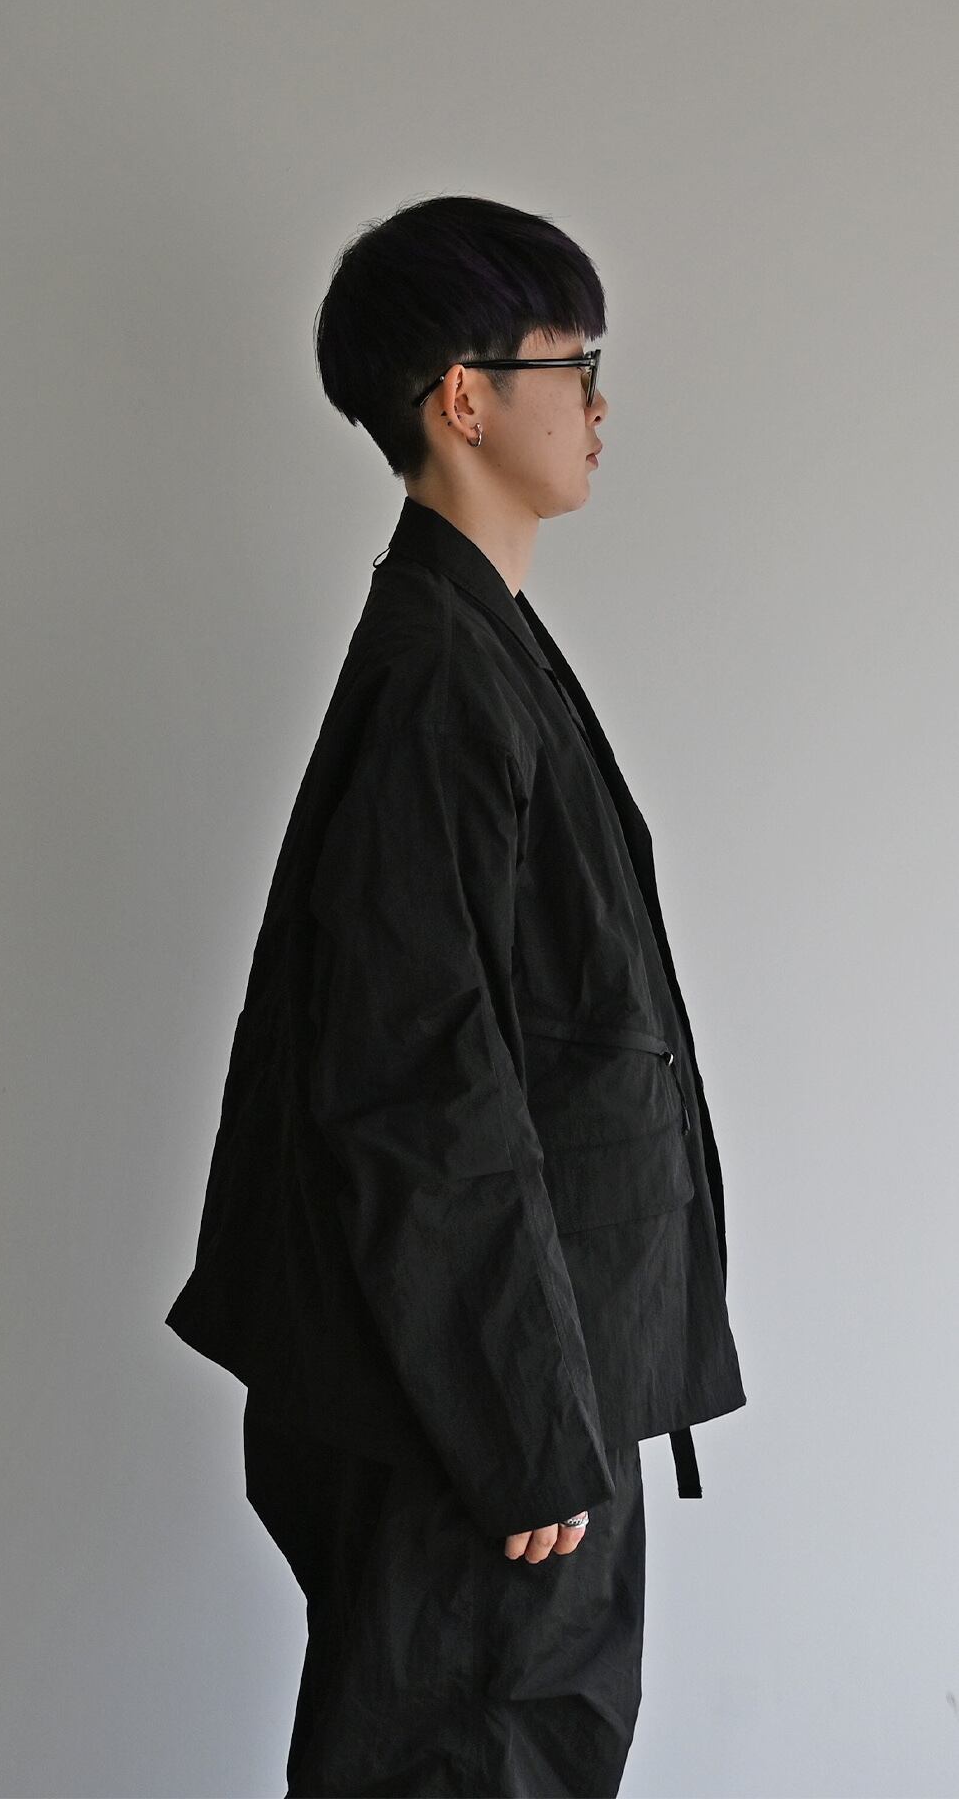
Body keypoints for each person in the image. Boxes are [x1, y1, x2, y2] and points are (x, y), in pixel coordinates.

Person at [164, 193, 747, 1798]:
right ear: (464, 398)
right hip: (479, 1411)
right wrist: (518, 1427)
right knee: (472, 1760)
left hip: (519, 1382)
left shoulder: (477, 646)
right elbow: (413, 1079)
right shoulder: (440, 674)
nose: (600, 403)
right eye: (573, 363)